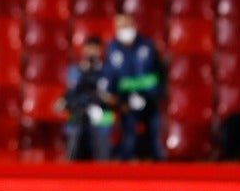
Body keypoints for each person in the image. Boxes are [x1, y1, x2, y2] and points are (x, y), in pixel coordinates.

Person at [102, 14, 165, 160]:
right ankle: (125, 179)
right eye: (121, 26)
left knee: (155, 141)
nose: (125, 30)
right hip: (126, 103)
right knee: (128, 141)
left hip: (150, 100)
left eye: (128, 25)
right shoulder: (112, 49)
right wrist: (119, 101)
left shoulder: (147, 45)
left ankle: (162, 177)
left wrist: (153, 95)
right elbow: (111, 78)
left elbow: (157, 73)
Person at [59, 34, 116, 161]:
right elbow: (70, 95)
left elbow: (114, 99)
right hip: (78, 118)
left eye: (95, 48)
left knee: (102, 159)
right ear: (83, 50)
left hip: (101, 119)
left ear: (101, 50)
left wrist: (101, 97)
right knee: (73, 155)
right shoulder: (75, 70)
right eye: (89, 48)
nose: (92, 52)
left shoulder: (108, 71)